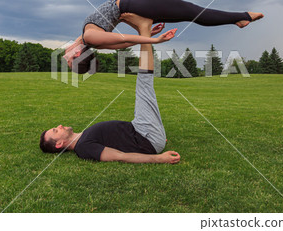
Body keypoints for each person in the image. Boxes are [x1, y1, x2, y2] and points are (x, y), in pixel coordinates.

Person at [40, 20, 181, 164]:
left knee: (145, 88)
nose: (59, 126)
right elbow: (120, 156)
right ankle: (144, 27)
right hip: (144, 135)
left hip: (143, 132)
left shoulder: (83, 137)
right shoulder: (83, 148)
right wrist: (159, 158)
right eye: (56, 131)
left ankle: (145, 34)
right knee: (144, 84)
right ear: (59, 144)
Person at [63, 0, 264, 70]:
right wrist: (153, 39)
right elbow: (125, 40)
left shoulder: (88, 40)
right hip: (138, 6)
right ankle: (242, 17)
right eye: (69, 61)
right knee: (192, 11)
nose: (65, 58)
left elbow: (121, 43)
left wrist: (147, 36)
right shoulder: (90, 38)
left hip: (139, 8)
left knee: (191, 13)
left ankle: (239, 18)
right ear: (78, 54)